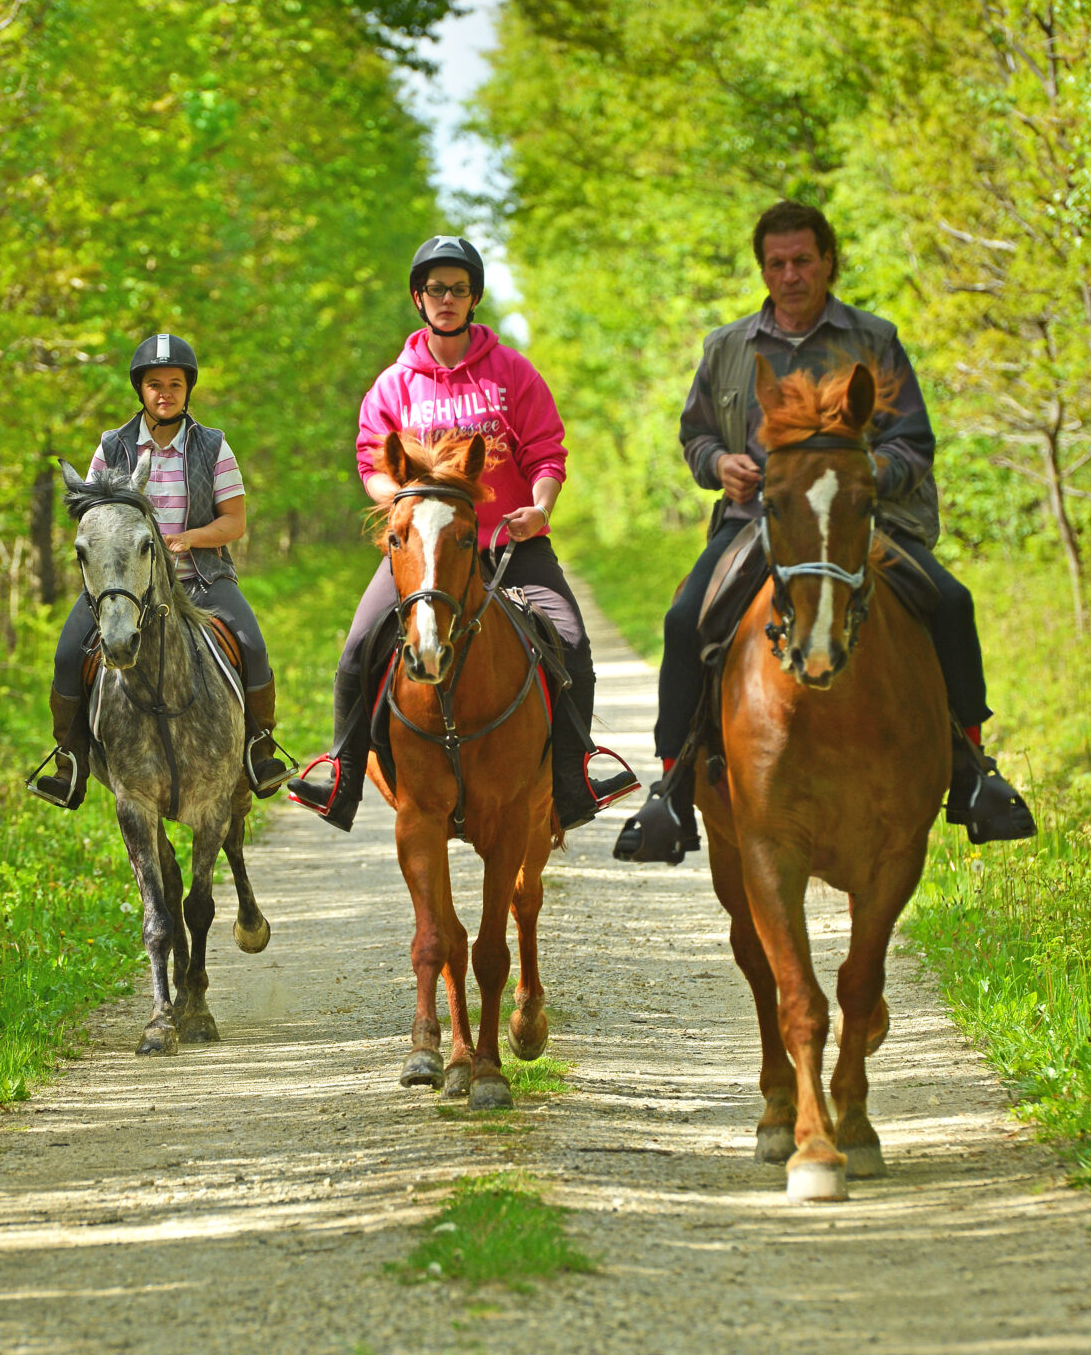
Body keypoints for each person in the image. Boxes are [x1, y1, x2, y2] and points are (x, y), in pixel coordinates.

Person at [613, 200, 1036, 862]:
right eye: (777, 264)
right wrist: (718, 463)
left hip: (858, 523)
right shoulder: (727, 348)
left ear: (827, 261)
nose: (790, 275)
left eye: (802, 260)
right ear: (763, 269)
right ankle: (670, 787)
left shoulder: (873, 339)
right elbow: (695, 434)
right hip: (758, 522)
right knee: (683, 618)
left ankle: (973, 772)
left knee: (951, 602)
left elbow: (913, 442)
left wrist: (860, 476)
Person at [290, 234, 632, 834]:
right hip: (423, 551)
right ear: (418, 298)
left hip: (508, 546)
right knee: (357, 650)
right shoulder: (393, 385)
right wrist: (405, 507)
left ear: (474, 297)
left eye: (459, 288)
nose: (446, 298)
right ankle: (342, 775)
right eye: (435, 289)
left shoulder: (512, 373)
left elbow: (548, 453)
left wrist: (540, 509)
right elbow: (372, 465)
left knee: (572, 643)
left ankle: (575, 778)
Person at [29, 333, 292, 810]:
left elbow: (235, 521)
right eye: (155, 384)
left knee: (252, 644)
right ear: (141, 390)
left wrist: (189, 538)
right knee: (70, 653)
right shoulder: (112, 446)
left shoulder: (213, 446)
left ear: (188, 388)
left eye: (175, 383)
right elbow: (91, 515)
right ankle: (70, 762)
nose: (165, 392)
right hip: (124, 585)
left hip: (201, 577)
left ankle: (258, 749)